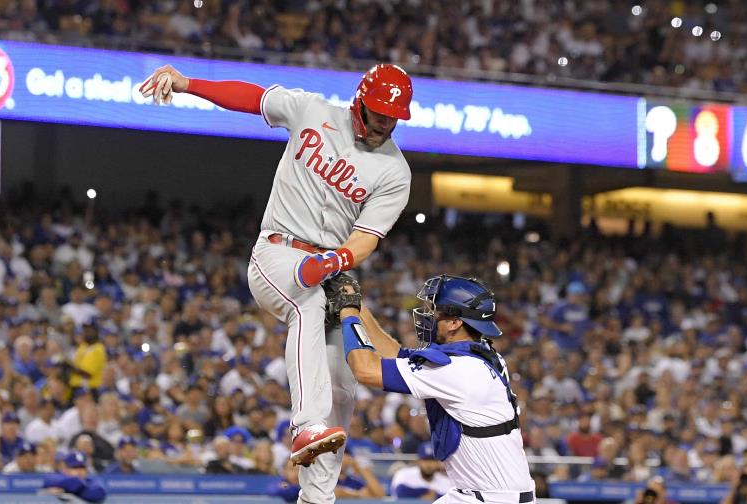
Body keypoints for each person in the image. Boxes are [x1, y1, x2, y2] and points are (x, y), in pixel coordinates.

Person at [140, 61, 414, 502]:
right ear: (359, 101)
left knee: (342, 385)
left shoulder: (394, 172)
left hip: (327, 267)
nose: (385, 122)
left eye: (393, 116)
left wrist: (334, 262)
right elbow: (252, 97)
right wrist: (189, 84)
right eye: (379, 111)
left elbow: (365, 240)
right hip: (276, 251)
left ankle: (316, 498)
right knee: (306, 305)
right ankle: (305, 425)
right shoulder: (312, 110)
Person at [326, 274, 535, 503]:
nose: (430, 316)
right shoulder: (478, 354)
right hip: (486, 492)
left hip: (491, 498)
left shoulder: (459, 369)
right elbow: (396, 355)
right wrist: (357, 305)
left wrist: (348, 314)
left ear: (455, 322)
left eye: (437, 312)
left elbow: (366, 370)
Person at [40, 451, 107, 503]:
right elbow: (47, 480)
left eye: (82, 467)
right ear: (65, 468)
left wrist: (65, 490)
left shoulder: (92, 480)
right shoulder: (55, 476)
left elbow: (98, 493)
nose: (79, 471)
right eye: (75, 467)